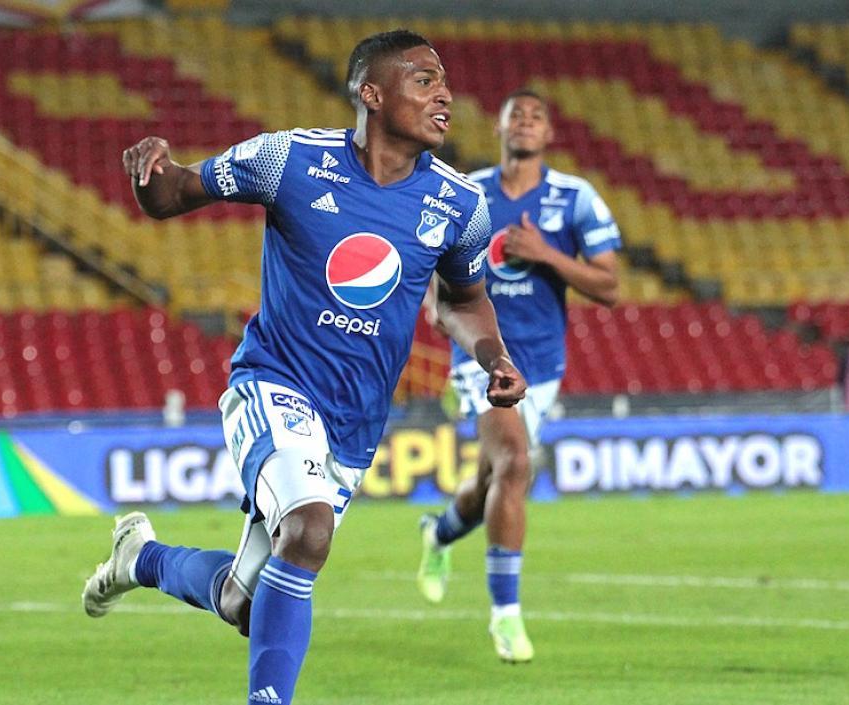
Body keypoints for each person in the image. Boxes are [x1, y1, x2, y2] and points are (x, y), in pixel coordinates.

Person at [82, 30, 527, 705]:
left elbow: (466, 302)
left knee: (244, 603)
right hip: (274, 382)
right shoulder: (287, 159)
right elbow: (174, 193)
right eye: (424, 79)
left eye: (445, 81)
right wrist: (151, 175)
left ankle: (138, 557)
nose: (446, 94)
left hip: (353, 426)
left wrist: (493, 356)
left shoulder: (461, 205)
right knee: (309, 527)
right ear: (370, 94)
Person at [417, 89, 621, 663]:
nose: (526, 121)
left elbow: (609, 286)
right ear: (500, 127)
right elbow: (430, 252)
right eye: (516, 114)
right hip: (481, 356)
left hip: (543, 364)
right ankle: (505, 616)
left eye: (537, 115)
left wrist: (547, 255)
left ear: (549, 134)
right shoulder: (467, 192)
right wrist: (436, 301)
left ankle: (437, 535)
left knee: (492, 483)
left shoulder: (575, 197)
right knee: (515, 464)